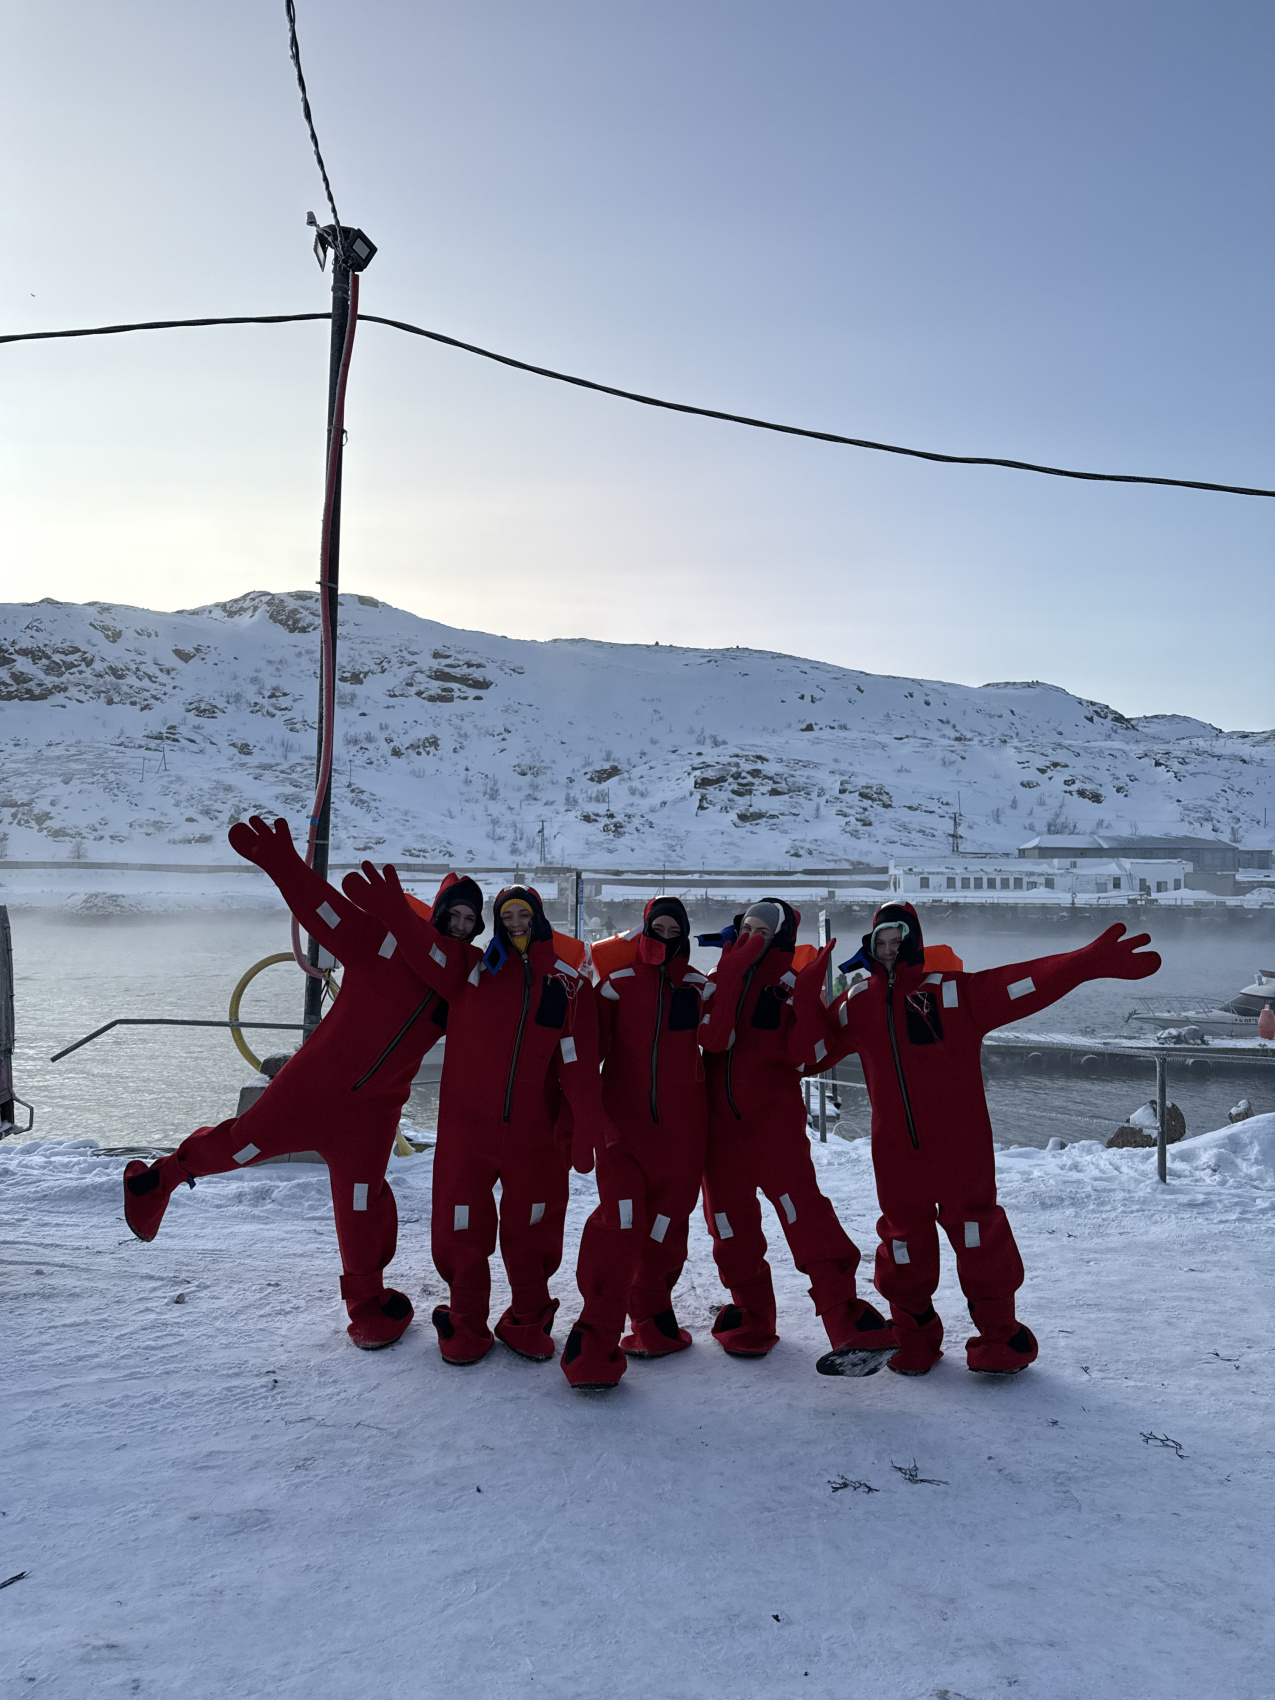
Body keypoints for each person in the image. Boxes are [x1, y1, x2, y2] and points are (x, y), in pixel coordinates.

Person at [121, 816, 482, 1349]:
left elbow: (506, 1014)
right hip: (307, 1090)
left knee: (361, 1204)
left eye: (470, 920)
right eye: (453, 914)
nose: (459, 925)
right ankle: (157, 1182)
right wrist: (282, 863)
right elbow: (325, 911)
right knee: (239, 1147)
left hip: (371, 1117)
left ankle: (366, 1305)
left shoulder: (464, 978)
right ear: (439, 911)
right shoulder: (384, 939)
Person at [791, 902, 1160, 1376]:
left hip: (961, 1153)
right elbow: (811, 1056)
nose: (889, 950)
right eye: (882, 942)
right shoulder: (857, 1002)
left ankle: (999, 1338)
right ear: (872, 946)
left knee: (980, 1240)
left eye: (898, 941)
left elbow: (1021, 984)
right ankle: (912, 1338)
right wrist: (805, 996)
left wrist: (1083, 963)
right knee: (903, 1246)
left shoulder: (952, 993)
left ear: (914, 942)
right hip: (896, 1158)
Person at [339, 862, 615, 1369]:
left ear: (538, 918)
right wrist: (394, 912)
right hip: (467, 1131)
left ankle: (528, 1318)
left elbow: (577, 1058)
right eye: (507, 915)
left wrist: (586, 1121)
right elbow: (423, 949)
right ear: (498, 920)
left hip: (535, 1134)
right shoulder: (470, 969)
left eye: (523, 914)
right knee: (459, 1222)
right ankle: (465, 1319)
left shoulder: (568, 983)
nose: (516, 923)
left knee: (533, 1223)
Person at [698, 899, 895, 1372]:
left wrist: (807, 1000)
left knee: (805, 1218)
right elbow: (712, 1040)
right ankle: (751, 1317)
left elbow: (808, 1057)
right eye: (747, 928)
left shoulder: (789, 984)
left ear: (781, 938)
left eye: (763, 932)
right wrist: (733, 974)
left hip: (774, 1129)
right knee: (729, 1226)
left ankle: (847, 1323)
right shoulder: (715, 977)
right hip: (718, 1134)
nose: (752, 937)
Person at [566, 896, 712, 1388]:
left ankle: (653, 1316)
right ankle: (595, 1335)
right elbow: (586, 1051)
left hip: (681, 1138)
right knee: (620, 1225)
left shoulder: (699, 988)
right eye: (658, 928)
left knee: (668, 1225)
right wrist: (589, 1118)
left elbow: (725, 1039)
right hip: (623, 1133)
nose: (666, 937)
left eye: (675, 930)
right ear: (645, 930)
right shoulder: (616, 984)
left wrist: (743, 964)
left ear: (684, 936)